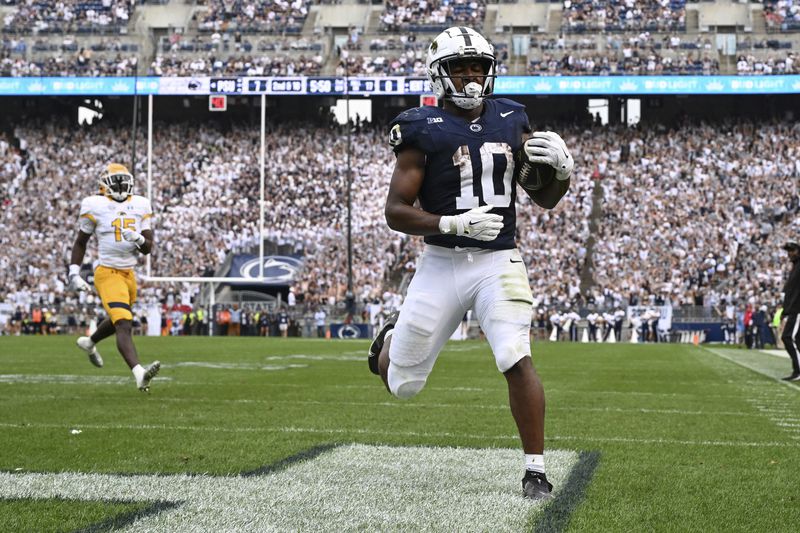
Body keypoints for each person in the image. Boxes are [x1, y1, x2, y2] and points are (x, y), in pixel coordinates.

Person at [366, 26, 572, 501]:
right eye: (460, 68)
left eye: (477, 67)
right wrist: (451, 224)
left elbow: (543, 198)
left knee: (514, 354)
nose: (470, 76)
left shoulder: (512, 118)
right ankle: (390, 341)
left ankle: (535, 471)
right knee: (403, 385)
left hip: (499, 260)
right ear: (441, 75)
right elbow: (395, 211)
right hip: (441, 260)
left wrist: (561, 173)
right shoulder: (420, 127)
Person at [67, 163, 161, 392]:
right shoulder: (94, 205)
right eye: (115, 181)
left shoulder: (140, 204)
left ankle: (89, 342)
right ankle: (139, 374)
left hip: (129, 274)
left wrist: (138, 239)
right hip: (107, 273)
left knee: (119, 318)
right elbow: (81, 242)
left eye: (123, 180)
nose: (120, 185)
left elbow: (148, 248)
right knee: (124, 322)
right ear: (104, 185)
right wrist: (73, 273)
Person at [779, 242, 800, 381]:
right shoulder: (795, 267)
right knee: (797, 339)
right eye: (788, 251)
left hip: (798, 309)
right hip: (793, 309)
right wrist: (785, 310)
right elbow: (790, 292)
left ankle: (798, 371)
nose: (789, 253)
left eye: (792, 250)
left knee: (788, 337)